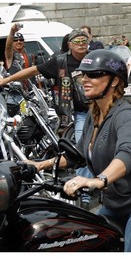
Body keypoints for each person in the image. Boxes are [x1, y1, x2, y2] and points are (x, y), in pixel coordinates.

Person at [26, 49, 131, 252]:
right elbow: (79, 155)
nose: (85, 79)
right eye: (84, 74)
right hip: (114, 205)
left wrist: (99, 180)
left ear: (115, 81)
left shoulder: (126, 116)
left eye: (94, 74)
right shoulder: (95, 113)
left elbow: (129, 153)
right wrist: (40, 165)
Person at [0, 28, 95, 202]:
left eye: (84, 40)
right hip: (81, 112)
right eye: (77, 41)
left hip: (102, 108)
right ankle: (86, 193)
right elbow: (34, 71)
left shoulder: (96, 57)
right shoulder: (60, 61)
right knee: (83, 149)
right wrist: (5, 80)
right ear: (69, 44)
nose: (81, 44)